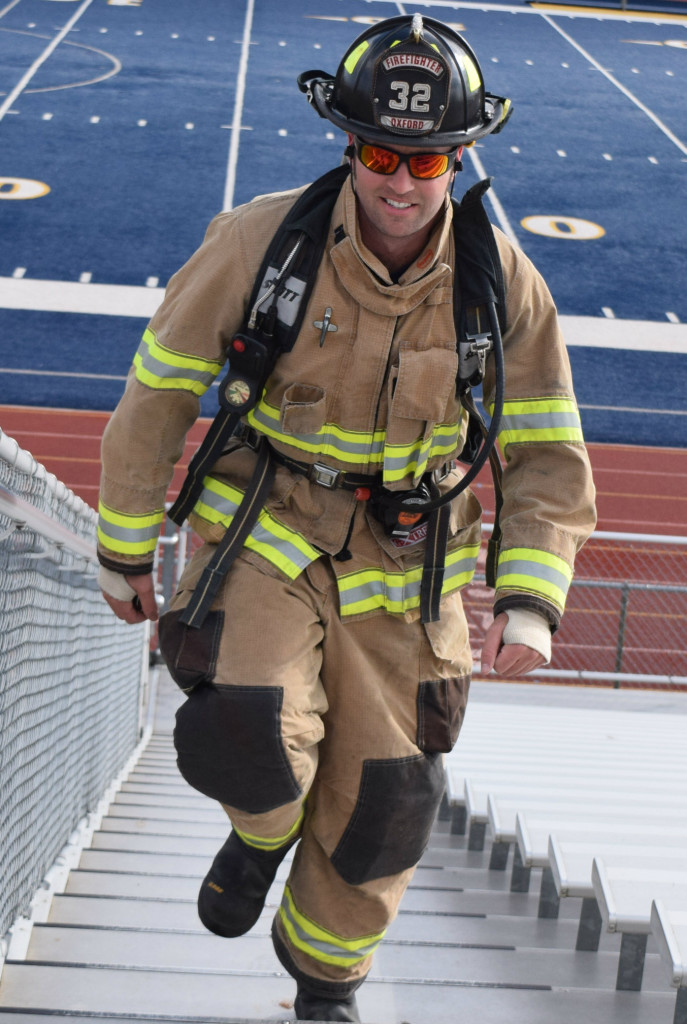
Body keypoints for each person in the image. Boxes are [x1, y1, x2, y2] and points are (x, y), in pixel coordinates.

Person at [97, 14, 596, 1022]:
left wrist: (533, 597)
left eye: (428, 160)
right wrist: (123, 546)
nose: (400, 182)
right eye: (379, 153)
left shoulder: (504, 290)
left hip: (410, 575)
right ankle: (262, 834)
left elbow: (545, 452)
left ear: (460, 159)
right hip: (264, 533)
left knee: (385, 811)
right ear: (348, 144)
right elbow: (157, 395)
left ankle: (325, 986)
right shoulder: (256, 244)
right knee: (249, 739)